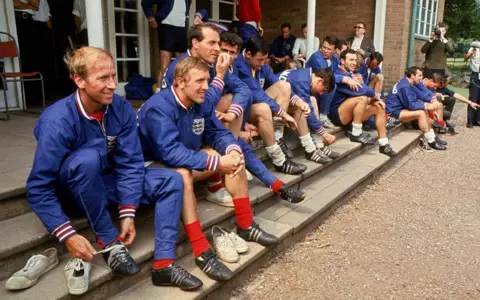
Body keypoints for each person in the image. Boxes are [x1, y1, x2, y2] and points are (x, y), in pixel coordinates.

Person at [26, 47, 190, 291]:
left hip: (106, 185)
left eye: (113, 76)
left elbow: (130, 163)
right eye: (103, 78)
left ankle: (164, 263)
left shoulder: (120, 107)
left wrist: (127, 211)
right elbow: (38, 188)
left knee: (171, 179)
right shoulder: (57, 121)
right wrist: (67, 235)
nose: (113, 84)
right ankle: (109, 242)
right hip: (72, 194)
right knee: (87, 160)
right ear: (79, 80)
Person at [138, 55, 280, 285]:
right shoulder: (159, 107)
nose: (207, 87)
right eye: (200, 81)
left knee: (234, 157)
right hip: (148, 168)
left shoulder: (200, 101)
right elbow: (169, 153)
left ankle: (245, 224)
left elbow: (216, 133)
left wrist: (232, 149)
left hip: (180, 159)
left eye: (208, 80)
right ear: (180, 82)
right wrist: (216, 164)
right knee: (182, 174)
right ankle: (202, 250)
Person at [163, 24, 251, 206]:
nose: (218, 49)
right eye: (212, 43)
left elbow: (242, 88)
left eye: (218, 43)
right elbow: (202, 106)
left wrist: (232, 147)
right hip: (177, 137)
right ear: (195, 43)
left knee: (229, 106)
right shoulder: (179, 68)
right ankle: (216, 183)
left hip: (195, 122)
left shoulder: (208, 62)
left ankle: (232, 164)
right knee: (218, 117)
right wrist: (219, 76)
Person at [234, 35, 309, 173]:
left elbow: (275, 82)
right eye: (260, 60)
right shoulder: (239, 64)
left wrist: (297, 100)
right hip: (241, 109)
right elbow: (257, 94)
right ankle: (279, 160)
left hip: (255, 104)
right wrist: (283, 114)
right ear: (248, 54)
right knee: (263, 107)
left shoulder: (261, 65)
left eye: (264, 59)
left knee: (284, 86)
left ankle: (278, 136)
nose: (263, 64)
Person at [329, 49, 397, 157]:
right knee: (362, 98)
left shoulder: (350, 74)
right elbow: (362, 91)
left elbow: (364, 87)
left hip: (350, 112)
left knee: (378, 108)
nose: (354, 63)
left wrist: (375, 100)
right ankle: (356, 133)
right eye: (351, 60)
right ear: (342, 61)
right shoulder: (340, 74)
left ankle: (384, 144)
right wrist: (375, 96)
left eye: (355, 60)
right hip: (338, 114)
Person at [278, 67, 341, 163]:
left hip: (283, 102)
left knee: (312, 100)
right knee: (302, 108)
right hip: (273, 104)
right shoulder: (302, 80)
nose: (321, 93)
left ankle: (319, 145)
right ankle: (310, 150)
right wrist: (324, 133)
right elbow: (308, 113)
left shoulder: (306, 74)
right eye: (323, 90)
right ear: (320, 80)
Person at [385, 66, 447, 152]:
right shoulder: (405, 86)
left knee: (423, 110)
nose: (421, 78)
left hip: (401, 109)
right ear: (412, 76)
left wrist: (431, 101)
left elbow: (420, 95)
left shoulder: (409, 83)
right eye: (419, 75)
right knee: (421, 113)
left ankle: (432, 137)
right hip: (393, 113)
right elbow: (411, 105)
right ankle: (430, 141)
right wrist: (426, 105)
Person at [306, 36, 362, 129]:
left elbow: (339, 71)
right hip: (310, 88)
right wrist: (346, 79)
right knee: (331, 85)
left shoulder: (334, 59)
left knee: (337, 85)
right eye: (323, 47)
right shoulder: (316, 57)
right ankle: (323, 116)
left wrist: (352, 76)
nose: (325, 50)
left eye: (329, 49)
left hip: (321, 89)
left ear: (335, 50)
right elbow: (327, 76)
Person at [141, 0, 191, 88]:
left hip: (181, 29)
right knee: (164, 66)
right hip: (167, 28)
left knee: (183, 65)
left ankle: (180, 92)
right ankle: (158, 94)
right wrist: (151, 19)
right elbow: (145, 2)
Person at [465, 41, 480, 127]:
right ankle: (470, 121)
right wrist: (471, 53)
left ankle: (477, 120)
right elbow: (466, 57)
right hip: (475, 74)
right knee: (473, 97)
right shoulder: (475, 47)